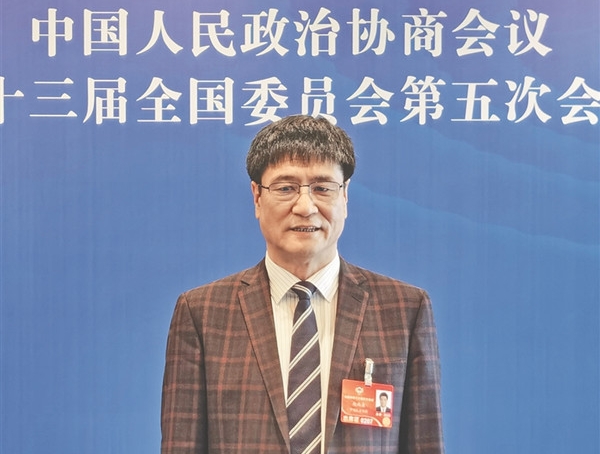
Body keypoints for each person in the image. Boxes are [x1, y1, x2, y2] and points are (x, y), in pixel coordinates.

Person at [161, 115, 444, 453]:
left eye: (323, 188)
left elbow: (425, 444)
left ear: (345, 196)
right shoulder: (202, 313)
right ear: (257, 197)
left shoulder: (404, 309)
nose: (306, 207)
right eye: (286, 188)